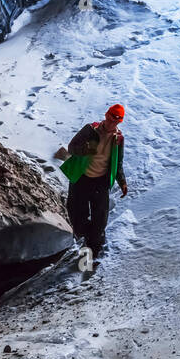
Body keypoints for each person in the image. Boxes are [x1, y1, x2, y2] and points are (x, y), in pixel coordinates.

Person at [60, 104, 128, 252]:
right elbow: (71, 147)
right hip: (81, 179)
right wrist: (85, 150)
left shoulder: (119, 139)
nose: (112, 123)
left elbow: (118, 163)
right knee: (77, 217)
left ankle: (95, 252)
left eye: (116, 120)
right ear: (106, 115)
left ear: (120, 122)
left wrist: (122, 182)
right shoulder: (90, 129)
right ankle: (86, 239)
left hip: (100, 182)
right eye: (110, 118)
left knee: (100, 220)